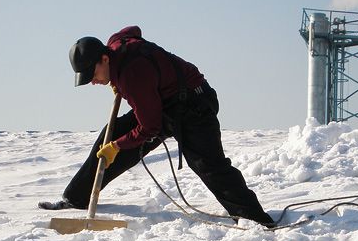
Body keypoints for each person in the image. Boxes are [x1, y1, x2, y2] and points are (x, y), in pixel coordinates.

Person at [39, 25, 274, 227]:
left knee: (207, 165)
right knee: (110, 135)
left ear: (105, 59)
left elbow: (149, 128)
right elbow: (133, 29)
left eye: (93, 74)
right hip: (163, 102)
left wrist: (117, 146)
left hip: (195, 104)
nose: (93, 82)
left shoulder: (132, 75)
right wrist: (116, 82)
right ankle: (76, 198)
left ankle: (256, 220)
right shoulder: (115, 42)